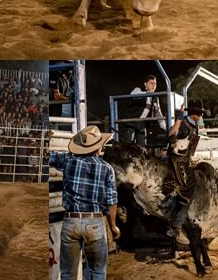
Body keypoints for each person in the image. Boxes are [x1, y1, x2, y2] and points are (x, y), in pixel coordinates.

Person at [47, 125, 120, 280]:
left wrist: (46, 139)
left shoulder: (68, 161)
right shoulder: (107, 169)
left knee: (68, 273)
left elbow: (48, 156)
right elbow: (112, 201)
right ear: (98, 147)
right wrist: (113, 226)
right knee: (98, 271)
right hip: (94, 221)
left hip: (71, 221)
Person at [160, 100, 205, 238]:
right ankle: (174, 226)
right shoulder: (184, 124)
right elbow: (171, 135)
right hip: (176, 160)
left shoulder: (193, 125)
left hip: (184, 160)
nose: (200, 116)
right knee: (186, 193)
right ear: (194, 114)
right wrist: (178, 119)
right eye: (199, 114)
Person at [127, 74, 166, 146]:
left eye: (155, 84)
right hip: (131, 123)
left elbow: (158, 114)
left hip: (142, 125)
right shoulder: (138, 90)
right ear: (145, 84)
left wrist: (166, 128)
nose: (153, 86)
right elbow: (133, 94)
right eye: (151, 83)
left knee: (142, 147)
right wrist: (147, 94)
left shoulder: (155, 98)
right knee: (128, 146)